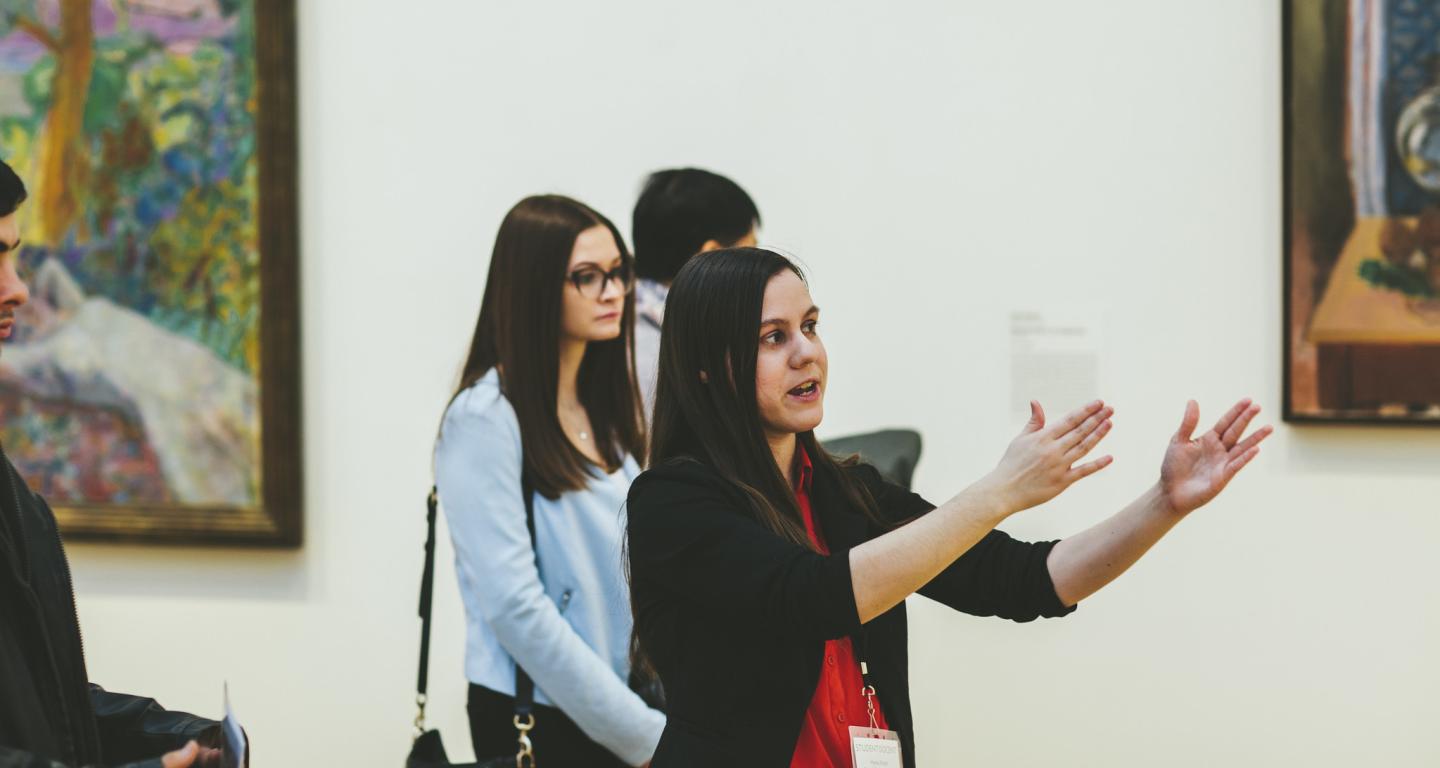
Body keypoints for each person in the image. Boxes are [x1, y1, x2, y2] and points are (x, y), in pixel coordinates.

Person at [625, 248, 1272, 767]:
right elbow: (813, 597)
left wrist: (1164, 504)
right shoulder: (674, 502)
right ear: (711, 367)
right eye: (773, 337)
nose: (806, 352)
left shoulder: (848, 490)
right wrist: (998, 493)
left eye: (811, 326)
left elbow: (1030, 582)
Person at [0, 160, 231, 768]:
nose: (17, 289)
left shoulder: (11, 491)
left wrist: (180, 737)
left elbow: (44, 699)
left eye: (14, 258)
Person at [435, 195, 664, 767]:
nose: (613, 291)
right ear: (535, 287)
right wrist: (642, 734)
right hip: (544, 716)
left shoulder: (603, 411)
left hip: (620, 704)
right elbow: (515, 607)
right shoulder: (485, 417)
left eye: (618, 272)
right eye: (587, 277)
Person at [631, 168, 761, 415]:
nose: (755, 267)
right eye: (750, 250)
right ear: (711, 254)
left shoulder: (636, 326)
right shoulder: (657, 353)